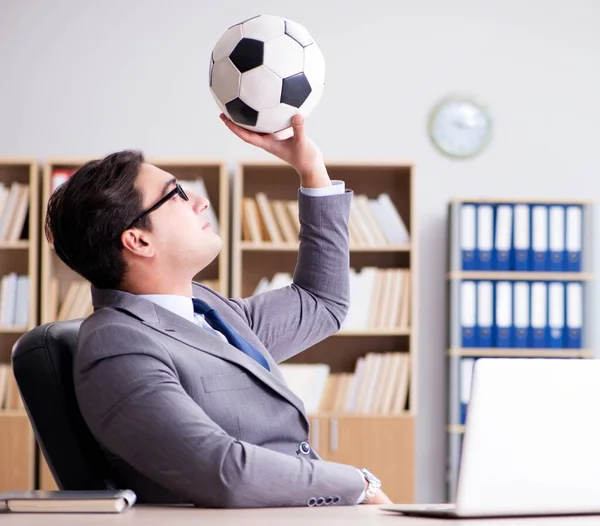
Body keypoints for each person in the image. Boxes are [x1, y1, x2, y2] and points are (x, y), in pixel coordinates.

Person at [44, 113, 392, 509]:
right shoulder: (117, 344)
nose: (200, 201)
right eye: (176, 194)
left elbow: (321, 303)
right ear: (138, 240)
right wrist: (358, 483)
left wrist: (311, 170)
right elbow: (221, 470)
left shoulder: (207, 308)